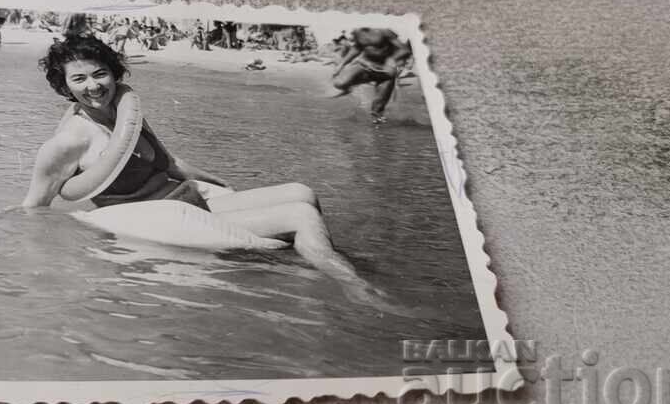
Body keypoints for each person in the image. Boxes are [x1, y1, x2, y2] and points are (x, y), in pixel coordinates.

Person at [22, 36, 357, 276]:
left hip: (186, 196)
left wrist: (220, 183)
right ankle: (350, 283)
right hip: (163, 216)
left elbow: (168, 162)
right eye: (79, 79)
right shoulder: (67, 143)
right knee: (301, 216)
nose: (93, 86)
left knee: (302, 192)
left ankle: (311, 262)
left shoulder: (124, 114)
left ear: (114, 73)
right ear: (65, 88)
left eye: (100, 74)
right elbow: (35, 208)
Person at [331, 28, 411, 122]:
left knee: (377, 111)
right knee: (339, 83)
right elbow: (356, 50)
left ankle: (379, 131)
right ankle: (351, 86)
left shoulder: (385, 33)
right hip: (365, 66)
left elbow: (405, 50)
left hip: (385, 73)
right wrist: (341, 65)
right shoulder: (358, 34)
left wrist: (392, 59)